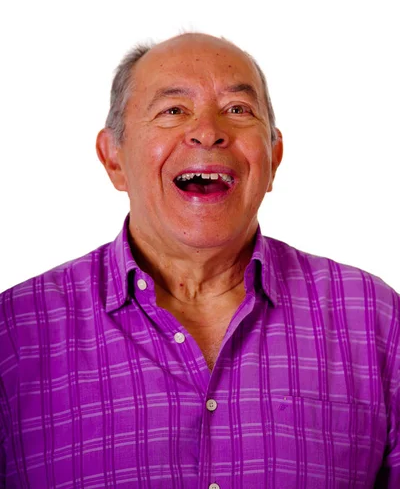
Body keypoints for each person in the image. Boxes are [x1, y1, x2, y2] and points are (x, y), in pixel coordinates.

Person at [0, 32, 398, 489]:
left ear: (274, 157)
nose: (208, 131)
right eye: (173, 110)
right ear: (113, 159)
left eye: (237, 110)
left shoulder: (373, 319)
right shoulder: (15, 332)